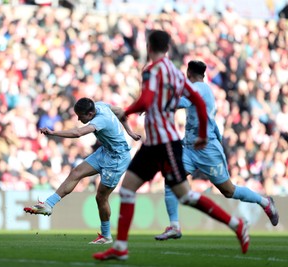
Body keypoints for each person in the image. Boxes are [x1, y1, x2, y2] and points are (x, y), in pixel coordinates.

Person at [93, 30, 250, 261]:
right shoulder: (176, 74)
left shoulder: (151, 70)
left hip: (165, 145)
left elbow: (146, 100)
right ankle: (120, 248)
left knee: (185, 197)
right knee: (127, 189)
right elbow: (197, 101)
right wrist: (204, 132)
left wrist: (125, 111)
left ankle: (236, 225)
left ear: (148, 47)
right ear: (167, 47)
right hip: (155, 144)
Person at [155, 60, 279, 241]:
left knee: (228, 190)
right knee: (171, 180)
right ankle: (174, 226)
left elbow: (179, 103)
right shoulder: (199, 88)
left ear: (189, 72)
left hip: (206, 149)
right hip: (190, 148)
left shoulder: (201, 88)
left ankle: (265, 202)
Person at [24, 97, 141, 244]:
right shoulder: (100, 105)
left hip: (117, 159)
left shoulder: (100, 120)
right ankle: (48, 205)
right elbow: (120, 112)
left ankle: (106, 236)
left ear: (91, 114)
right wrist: (130, 132)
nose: (79, 119)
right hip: (106, 151)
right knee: (76, 172)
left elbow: (78, 133)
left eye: (81, 116)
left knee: (101, 198)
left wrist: (53, 133)